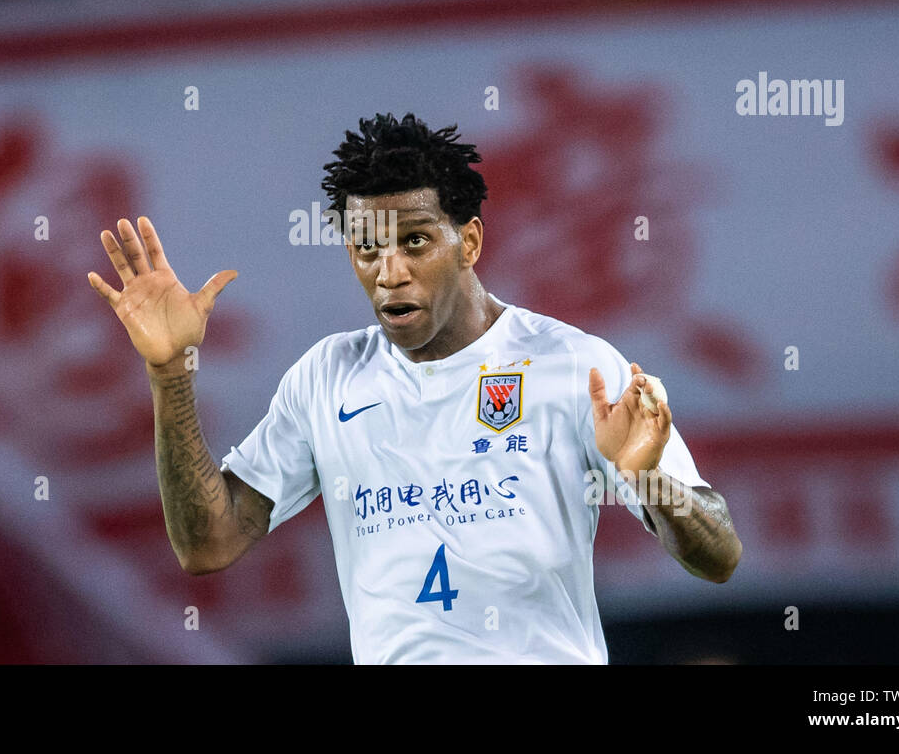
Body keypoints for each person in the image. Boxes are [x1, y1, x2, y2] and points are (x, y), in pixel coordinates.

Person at [88, 112, 741, 663]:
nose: (390, 273)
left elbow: (719, 556)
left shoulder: (574, 365)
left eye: (416, 241)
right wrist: (170, 374)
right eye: (367, 249)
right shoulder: (326, 378)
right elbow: (208, 544)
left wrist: (649, 478)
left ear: (470, 242)